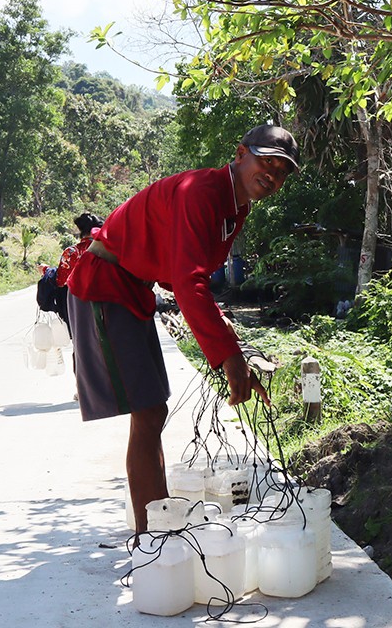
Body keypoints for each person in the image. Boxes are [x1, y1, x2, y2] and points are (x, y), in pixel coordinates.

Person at [65, 124, 299, 535]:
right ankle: (152, 537)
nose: (273, 176)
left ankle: (157, 526)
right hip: (106, 284)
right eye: (266, 162)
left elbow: (182, 274)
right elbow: (188, 280)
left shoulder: (235, 208)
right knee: (149, 411)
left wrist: (227, 337)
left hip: (133, 289)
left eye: (282, 171)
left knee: (152, 410)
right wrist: (229, 358)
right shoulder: (202, 192)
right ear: (240, 152)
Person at [54, 212, 104, 331]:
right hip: (107, 301)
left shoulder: (71, 252)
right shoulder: (108, 249)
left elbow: (60, 281)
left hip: (78, 304)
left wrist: (47, 271)